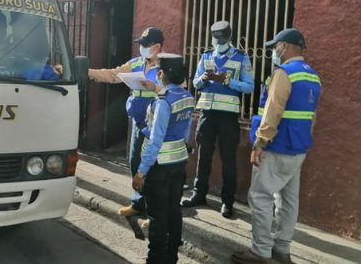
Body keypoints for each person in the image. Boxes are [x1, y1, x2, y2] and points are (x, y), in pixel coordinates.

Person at [232, 29, 321, 264]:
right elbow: (311, 116)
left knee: (261, 196)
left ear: (286, 47)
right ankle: (282, 250)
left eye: (276, 46)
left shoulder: (284, 73)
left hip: (276, 146)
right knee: (289, 200)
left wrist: (260, 142)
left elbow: (272, 111)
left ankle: (260, 251)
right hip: (298, 148)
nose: (274, 51)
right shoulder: (312, 76)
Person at [89, 27, 165, 217]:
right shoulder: (136, 63)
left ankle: (155, 209)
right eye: (141, 45)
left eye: (146, 45)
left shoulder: (167, 66)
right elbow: (113, 75)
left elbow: (177, 91)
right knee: (135, 162)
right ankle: (139, 203)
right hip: (139, 122)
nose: (142, 49)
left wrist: (155, 87)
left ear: (157, 47)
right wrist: (87, 71)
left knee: (152, 166)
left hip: (155, 123)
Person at [182, 20, 254, 218]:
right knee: (203, 155)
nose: (219, 42)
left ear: (229, 39)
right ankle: (199, 194)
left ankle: (227, 201)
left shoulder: (241, 58)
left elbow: (250, 86)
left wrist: (229, 81)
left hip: (228, 117)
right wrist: (204, 79)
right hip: (206, 113)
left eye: (222, 39)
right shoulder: (206, 56)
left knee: (228, 159)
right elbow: (195, 83)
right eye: (216, 39)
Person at [132, 53, 194, 264]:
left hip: (159, 167)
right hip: (179, 164)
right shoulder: (187, 97)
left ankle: (155, 258)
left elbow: (155, 141)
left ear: (160, 73)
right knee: (173, 211)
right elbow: (186, 132)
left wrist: (141, 171)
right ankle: (171, 257)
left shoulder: (163, 103)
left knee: (157, 216)